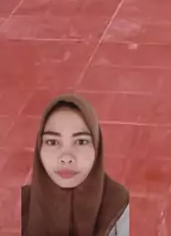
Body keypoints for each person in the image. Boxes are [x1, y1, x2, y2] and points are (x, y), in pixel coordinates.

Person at [21, 94, 129, 236]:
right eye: (52, 142)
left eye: (81, 142)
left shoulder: (120, 204)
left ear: (97, 147)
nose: (66, 158)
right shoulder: (23, 203)